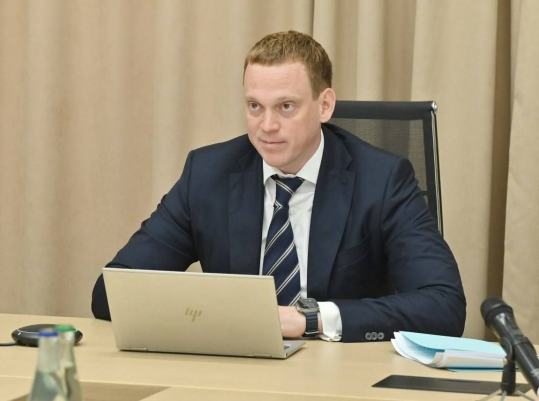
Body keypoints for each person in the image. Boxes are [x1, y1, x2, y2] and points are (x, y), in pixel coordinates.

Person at [91, 30, 466, 343]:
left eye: (286, 106)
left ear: (324, 105)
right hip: (235, 371)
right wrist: (217, 315)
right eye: (255, 106)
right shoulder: (207, 175)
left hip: (338, 373)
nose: (266, 126)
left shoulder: (382, 180)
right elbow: (111, 294)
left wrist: (311, 319)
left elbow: (444, 305)